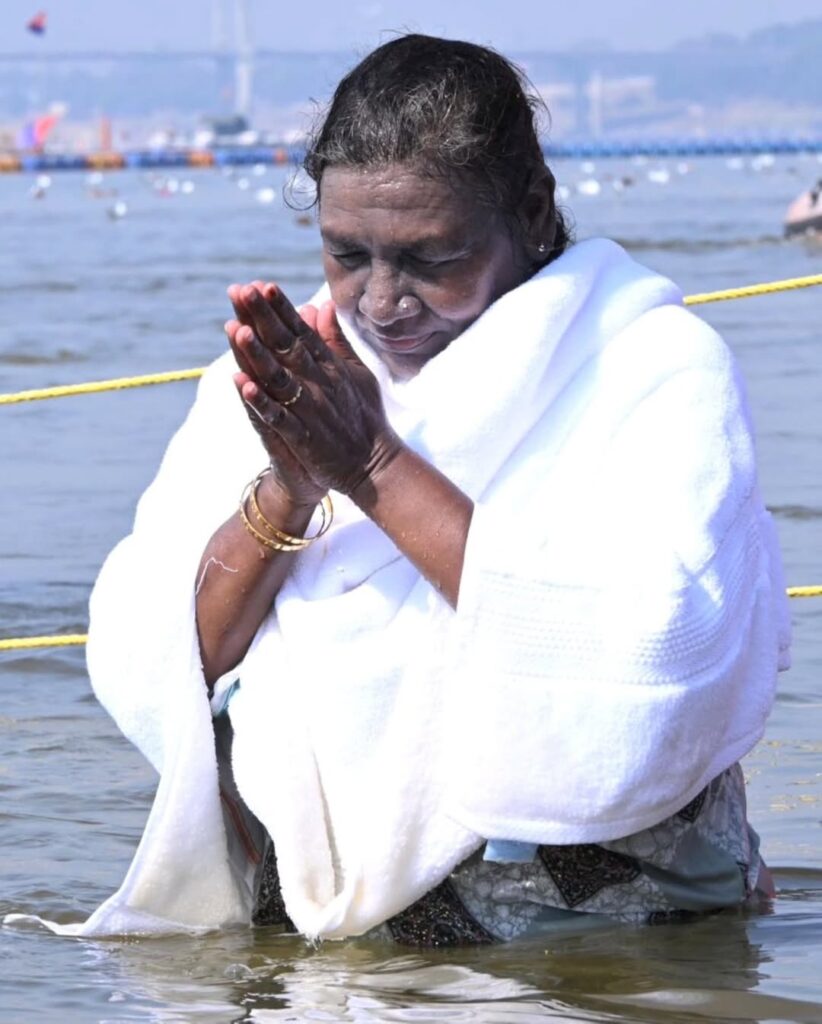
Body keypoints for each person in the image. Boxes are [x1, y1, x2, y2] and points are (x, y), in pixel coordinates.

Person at [51, 35, 791, 943]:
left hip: (606, 925)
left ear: (527, 209)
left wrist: (372, 466)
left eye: (429, 257)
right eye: (346, 254)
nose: (382, 299)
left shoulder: (651, 368)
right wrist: (290, 486)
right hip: (314, 930)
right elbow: (165, 662)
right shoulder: (294, 382)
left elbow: (651, 660)